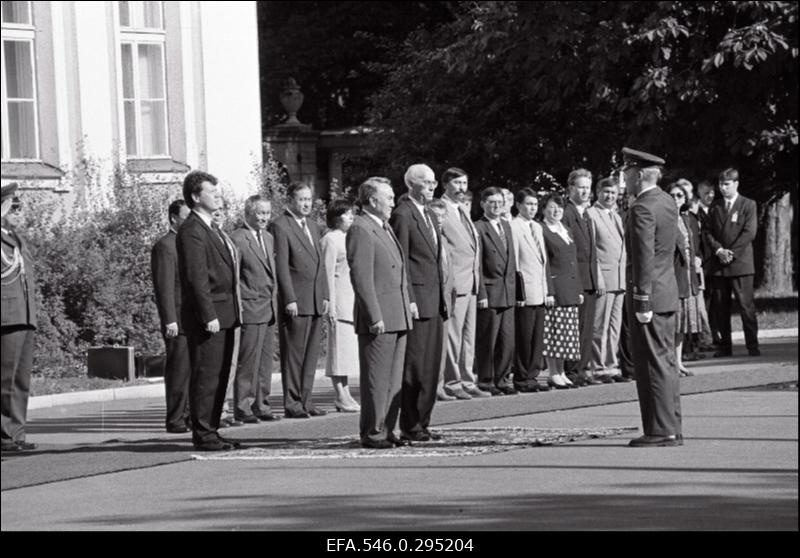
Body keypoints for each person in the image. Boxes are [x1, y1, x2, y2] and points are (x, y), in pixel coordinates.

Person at [176, 171, 243, 451]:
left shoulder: (210, 228)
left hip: (225, 312)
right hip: (210, 317)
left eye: (218, 191)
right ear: (195, 196)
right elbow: (196, 278)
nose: (218, 196)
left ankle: (212, 429)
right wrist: (208, 315)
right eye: (211, 192)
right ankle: (203, 433)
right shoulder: (192, 230)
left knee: (219, 375)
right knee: (206, 376)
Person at [347, 177, 414, 449]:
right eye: (388, 197)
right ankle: (373, 432)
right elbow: (362, 278)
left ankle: (387, 429)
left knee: (393, 378)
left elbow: (398, 272)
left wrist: (407, 304)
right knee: (377, 378)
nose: (392, 202)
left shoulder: (383, 227)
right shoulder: (361, 229)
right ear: (372, 201)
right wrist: (374, 315)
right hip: (379, 318)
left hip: (397, 313)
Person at [621, 147, 682, 447]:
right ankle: (671, 424)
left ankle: (660, 430)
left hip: (650, 294)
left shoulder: (643, 207)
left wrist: (642, 297)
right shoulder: (667, 201)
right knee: (666, 362)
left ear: (640, 174)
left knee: (652, 364)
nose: (625, 178)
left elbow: (644, 256)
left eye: (627, 172)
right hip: (666, 291)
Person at [390, 164, 446, 443]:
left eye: (434, 182)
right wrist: (409, 299)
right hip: (418, 301)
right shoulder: (403, 214)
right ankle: (410, 424)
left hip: (435, 300)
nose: (432, 187)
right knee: (416, 367)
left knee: (431, 367)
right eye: (427, 183)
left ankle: (423, 421)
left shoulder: (429, 214)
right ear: (412, 184)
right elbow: (402, 263)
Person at [269, 182, 330, 418]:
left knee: (311, 354)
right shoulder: (280, 226)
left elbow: (320, 264)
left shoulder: (314, 226)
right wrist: (289, 298)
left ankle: (306, 399)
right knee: (294, 354)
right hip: (296, 300)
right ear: (291, 201)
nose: (306, 204)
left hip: (315, 299)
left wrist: (324, 294)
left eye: (308, 199)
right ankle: (292, 403)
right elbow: (282, 266)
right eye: (302, 199)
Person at [229, 195, 281, 423]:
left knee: (265, 360)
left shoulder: (269, 237)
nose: (264, 218)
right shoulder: (238, 239)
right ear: (248, 213)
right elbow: (235, 277)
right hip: (250, 306)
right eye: (260, 213)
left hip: (268, 306)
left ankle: (262, 403)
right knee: (248, 360)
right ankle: (243, 405)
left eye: (267, 213)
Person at [437, 168, 488, 400]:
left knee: (469, 335)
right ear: (445, 184)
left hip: (472, 281)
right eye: (457, 183)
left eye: (465, 183)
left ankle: (468, 379)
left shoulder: (463, 210)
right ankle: (452, 381)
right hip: (455, 281)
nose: (462, 187)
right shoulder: (441, 209)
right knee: (454, 335)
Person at [703, 168, 760, 357]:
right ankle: (724, 346)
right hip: (720, 266)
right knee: (721, 308)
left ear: (736, 184)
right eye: (721, 184)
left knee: (746, 307)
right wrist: (719, 250)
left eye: (727, 184)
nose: (723, 188)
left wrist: (732, 253)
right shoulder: (715, 206)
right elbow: (707, 231)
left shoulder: (748, 205)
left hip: (741, 264)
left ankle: (752, 345)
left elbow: (749, 233)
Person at [1, 183, 38, 452]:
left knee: (21, 379)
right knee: (5, 379)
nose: (18, 211)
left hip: (24, 314)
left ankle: (16, 433)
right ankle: (5, 435)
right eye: (13, 207)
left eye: (19, 207)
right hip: (7, 315)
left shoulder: (15, 237)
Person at [151, 199, 193, 434]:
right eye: (186, 218)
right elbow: (164, 287)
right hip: (176, 320)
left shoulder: (188, 244)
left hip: (191, 319)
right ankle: (175, 418)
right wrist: (170, 320)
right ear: (173, 219)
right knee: (178, 371)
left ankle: (187, 415)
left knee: (191, 371)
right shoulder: (165, 246)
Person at [473, 187, 517, 396]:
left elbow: (512, 260)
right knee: (488, 339)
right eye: (491, 202)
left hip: (507, 291)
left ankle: (502, 378)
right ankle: (486, 379)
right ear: (483, 204)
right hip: (490, 291)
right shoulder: (479, 228)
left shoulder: (506, 226)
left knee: (506, 339)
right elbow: (478, 265)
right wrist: (481, 292)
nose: (496, 206)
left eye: (499, 202)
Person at [562, 169, 602, 386]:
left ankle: (583, 368)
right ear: (571, 188)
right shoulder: (567, 213)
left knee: (587, 328)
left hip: (589, 279)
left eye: (588, 187)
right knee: (575, 327)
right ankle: (573, 369)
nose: (585, 191)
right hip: (576, 279)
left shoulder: (586, 214)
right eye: (581, 187)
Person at [320, 199, 361, 413]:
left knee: (346, 352)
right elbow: (327, 274)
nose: (351, 217)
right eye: (346, 214)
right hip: (339, 300)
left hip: (352, 299)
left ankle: (346, 392)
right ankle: (340, 394)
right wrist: (331, 305)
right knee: (337, 350)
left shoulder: (350, 237)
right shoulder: (330, 239)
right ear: (336, 216)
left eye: (352, 213)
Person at [509, 188, 551, 392]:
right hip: (525, 291)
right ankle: (522, 377)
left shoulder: (537, 227)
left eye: (535, 204)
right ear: (518, 205)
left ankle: (533, 375)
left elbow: (544, 262)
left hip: (540, 290)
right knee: (524, 337)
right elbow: (515, 263)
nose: (532, 208)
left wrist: (547, 290)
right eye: (528, 204)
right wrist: (519, 293)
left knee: (536, 338)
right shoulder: (514, 227)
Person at [540, 193, 583, 389]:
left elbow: (574, 262)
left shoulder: (565, 229)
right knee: (554, 333)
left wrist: (578, 288)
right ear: (544, 209)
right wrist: (548, 290)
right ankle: (553, 372)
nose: (556, 210)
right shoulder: (542, 230)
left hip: (570, 287)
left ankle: (562, 371)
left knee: (567, 333)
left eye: (559, 207)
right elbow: (545, 263)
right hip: (555, 288)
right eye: (551, 207)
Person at [586, 177, 627, 383]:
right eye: (606, 192)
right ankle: (598, 366)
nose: (610, 196)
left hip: (619, 279)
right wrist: (599, 278)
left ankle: (611, 365)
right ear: (597, 192)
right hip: (604, 278)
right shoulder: (591, 215)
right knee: (599, 326)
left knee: (614, 326)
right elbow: (592, 250)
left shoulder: (617, 216)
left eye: (613, 192)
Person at [427, 199, 460, 401]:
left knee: (441, 348)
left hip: (446, 300)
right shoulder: (427, 239)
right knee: (430, 349)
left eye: (442, 216)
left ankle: (439, 385)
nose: (439, 220)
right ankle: (430, 387)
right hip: (431, 300)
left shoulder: (444, 240)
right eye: (435, 216)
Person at [668, 184, 701, 377]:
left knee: (682, 324)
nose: (675, 198)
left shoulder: (687, 218)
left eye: (679, 195)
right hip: (674, 273)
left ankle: (679, 361)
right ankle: (671, 362)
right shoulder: (667, 218)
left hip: (688, 273)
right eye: (671, 195)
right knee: (673, 321)